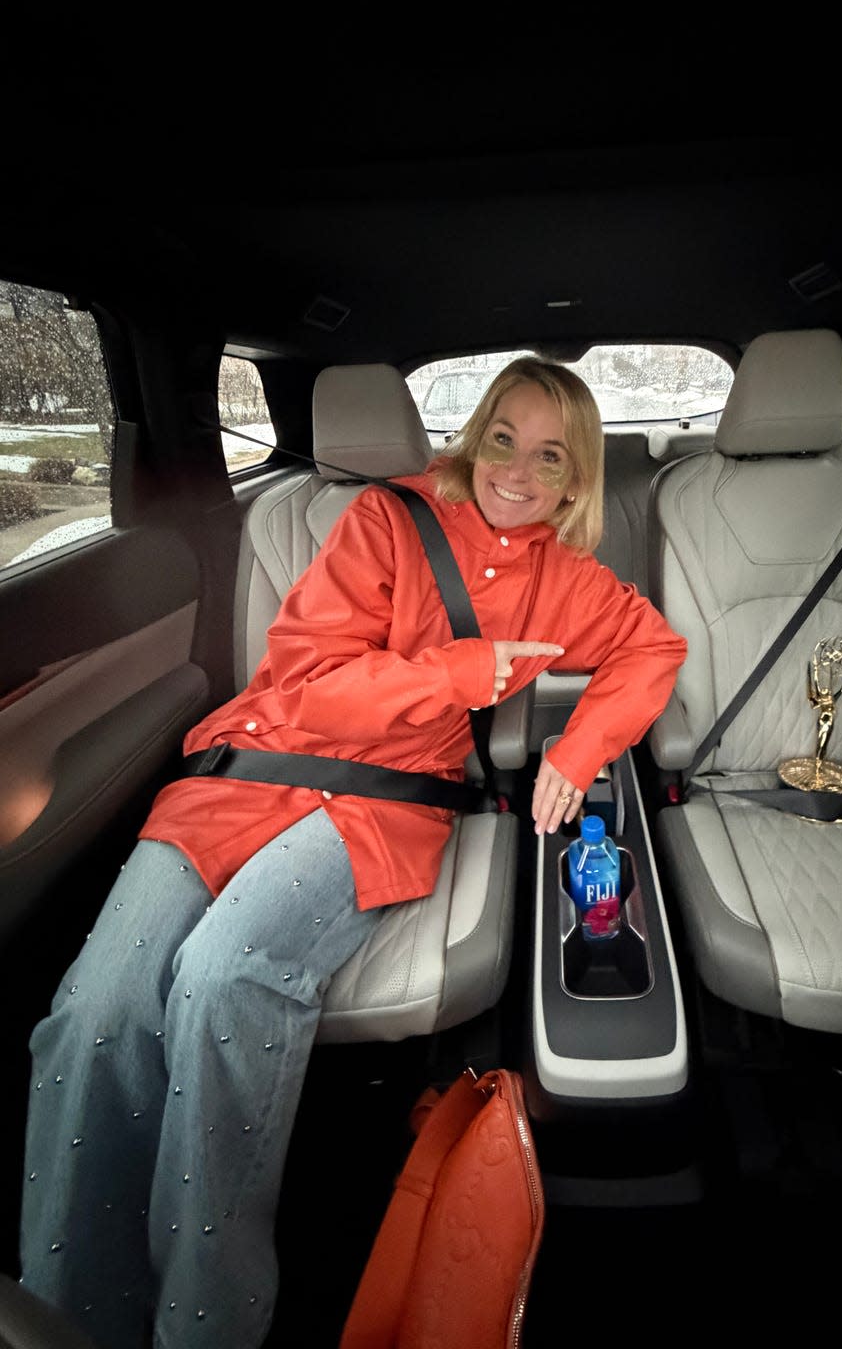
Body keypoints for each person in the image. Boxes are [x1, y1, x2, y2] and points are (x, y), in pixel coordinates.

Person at [18, 357, 687, 1348]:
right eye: (503, 440)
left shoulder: (565, 580)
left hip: (378, 806)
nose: (517, 472)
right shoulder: (387, 519)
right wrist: (455, 675)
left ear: (577, 478)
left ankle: (204, 1325)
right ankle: (68, 1317)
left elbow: (653, 649)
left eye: (550, 457)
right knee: (92, 1011)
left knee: (222, 978)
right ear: (474, 441)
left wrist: (579, 748)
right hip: (244, 776)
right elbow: (306, 679)